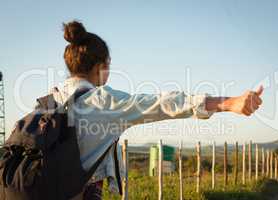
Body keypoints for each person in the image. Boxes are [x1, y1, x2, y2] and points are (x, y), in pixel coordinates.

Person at [53, 21, 263, 199]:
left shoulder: (48, 101)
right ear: (100, 67)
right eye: (109, 63)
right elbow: (161, 104)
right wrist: (227, 103)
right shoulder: (103, 102)